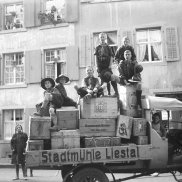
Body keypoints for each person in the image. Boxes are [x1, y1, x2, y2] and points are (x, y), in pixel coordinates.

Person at [94, 32, 118, 96]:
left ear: (105, 38)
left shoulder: (108, 47)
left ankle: (114, 92)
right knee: (103, 79)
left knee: (110, 77)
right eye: (101, 37)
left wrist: (110, 65)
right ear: (99, 38)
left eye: (103, 37)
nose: (102, 38)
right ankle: (103, 94)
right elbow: (96, 57)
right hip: (101, 66)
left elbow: (111, 56)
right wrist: (97, 66)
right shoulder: (97, 47)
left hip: (107, 66)